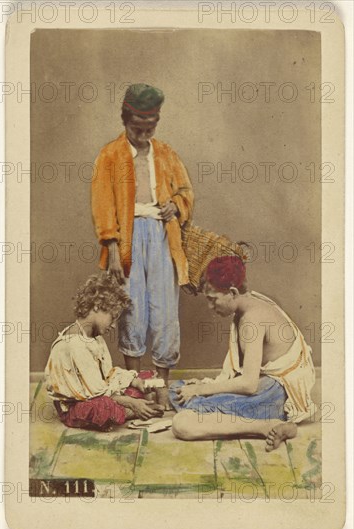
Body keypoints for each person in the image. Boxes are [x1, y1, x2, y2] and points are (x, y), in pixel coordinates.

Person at [92, 83, 194, 388]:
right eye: (138, 127)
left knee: (165, 307)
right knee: (132, 305)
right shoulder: (110, 155)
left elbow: (186, 191)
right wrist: (111, 247)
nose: (144, 134)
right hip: (127, 238)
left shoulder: (165, 153)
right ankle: (135, 382)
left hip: (163, 235)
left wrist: (175, 207)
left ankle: (161, 384)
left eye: (150, 127)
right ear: (125, 120)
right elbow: (102, 203)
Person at [170, 256, 317, 451]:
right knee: (176, 390)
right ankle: (228, 416)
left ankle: (267, 425)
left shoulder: (252, 320)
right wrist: (197, 389)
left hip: (274, 395)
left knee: (182, 423)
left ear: (232, 292)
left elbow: (248, 384)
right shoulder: (250, 302)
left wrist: (200, 390)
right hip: (265, 385)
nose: (210, 307)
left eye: (213, 299)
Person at [44, 273, 164, 431]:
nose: (113, 325)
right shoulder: (74, 345)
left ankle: (138, 407)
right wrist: (131, 402)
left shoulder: (94, 337)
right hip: (77, 405)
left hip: (98, 391)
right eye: (112, 318)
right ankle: (136, 410)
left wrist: (135, 382)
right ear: (97, 306)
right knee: (103, 407)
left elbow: (108, 375)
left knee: (144, 377)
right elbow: (96, 394)